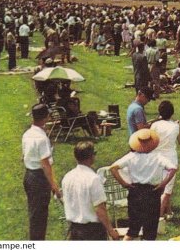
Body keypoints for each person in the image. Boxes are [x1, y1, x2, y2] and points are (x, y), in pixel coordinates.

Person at [110, 129, 177, 241]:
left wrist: (124, 183)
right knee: (150, 231)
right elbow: (173, 168)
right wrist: (163, 184)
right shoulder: (158, 157)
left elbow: (113, 168)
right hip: (152, 192)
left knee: (133, 229)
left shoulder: (131, 156)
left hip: (135, 192)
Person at [61, 141, 120, 240]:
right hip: (92, 231)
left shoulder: (67, 177)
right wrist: (111, 230)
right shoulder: (93, 179)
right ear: (92, 157)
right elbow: (100, 208)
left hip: (74, 229)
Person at [22, 103, 61, 240]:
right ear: (45, 117)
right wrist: (54, 185)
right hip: (39, 178)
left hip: (29, 175)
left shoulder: (27, 134)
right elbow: (45, 164)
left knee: (35, 214)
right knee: (39, 218)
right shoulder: (42, 138)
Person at [150, 101, 180, 219]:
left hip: (156, 157)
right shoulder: (175, 126)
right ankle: (158, 218)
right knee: (167, 190)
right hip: (170, 159)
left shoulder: (154, 125)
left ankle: (168, 211)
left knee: (159, 186)